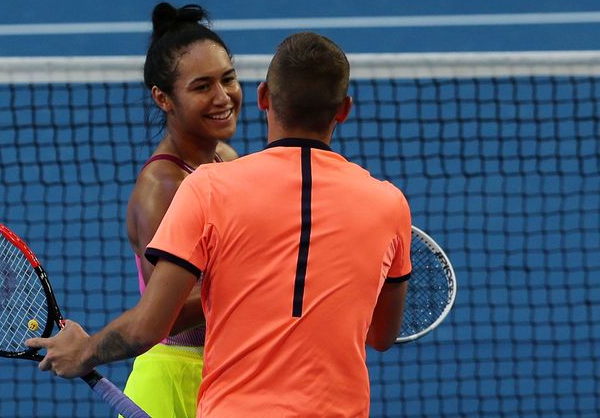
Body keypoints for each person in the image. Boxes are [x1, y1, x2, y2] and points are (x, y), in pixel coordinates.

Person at [26, 32, 410, 417]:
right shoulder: (389, 205)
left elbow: (151, 325)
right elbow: (381, 335)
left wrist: (84, 350)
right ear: (343, 109)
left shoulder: (208, 188)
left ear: (263, 97)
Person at [126, 2, 241, 418]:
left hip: (226, 370)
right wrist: (264, 279)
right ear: (163, 98)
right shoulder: (162, 188)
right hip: (175, 382)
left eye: (228, 79)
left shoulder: (225, 157)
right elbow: (168, 313)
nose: (222, 97)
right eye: (202, 86)